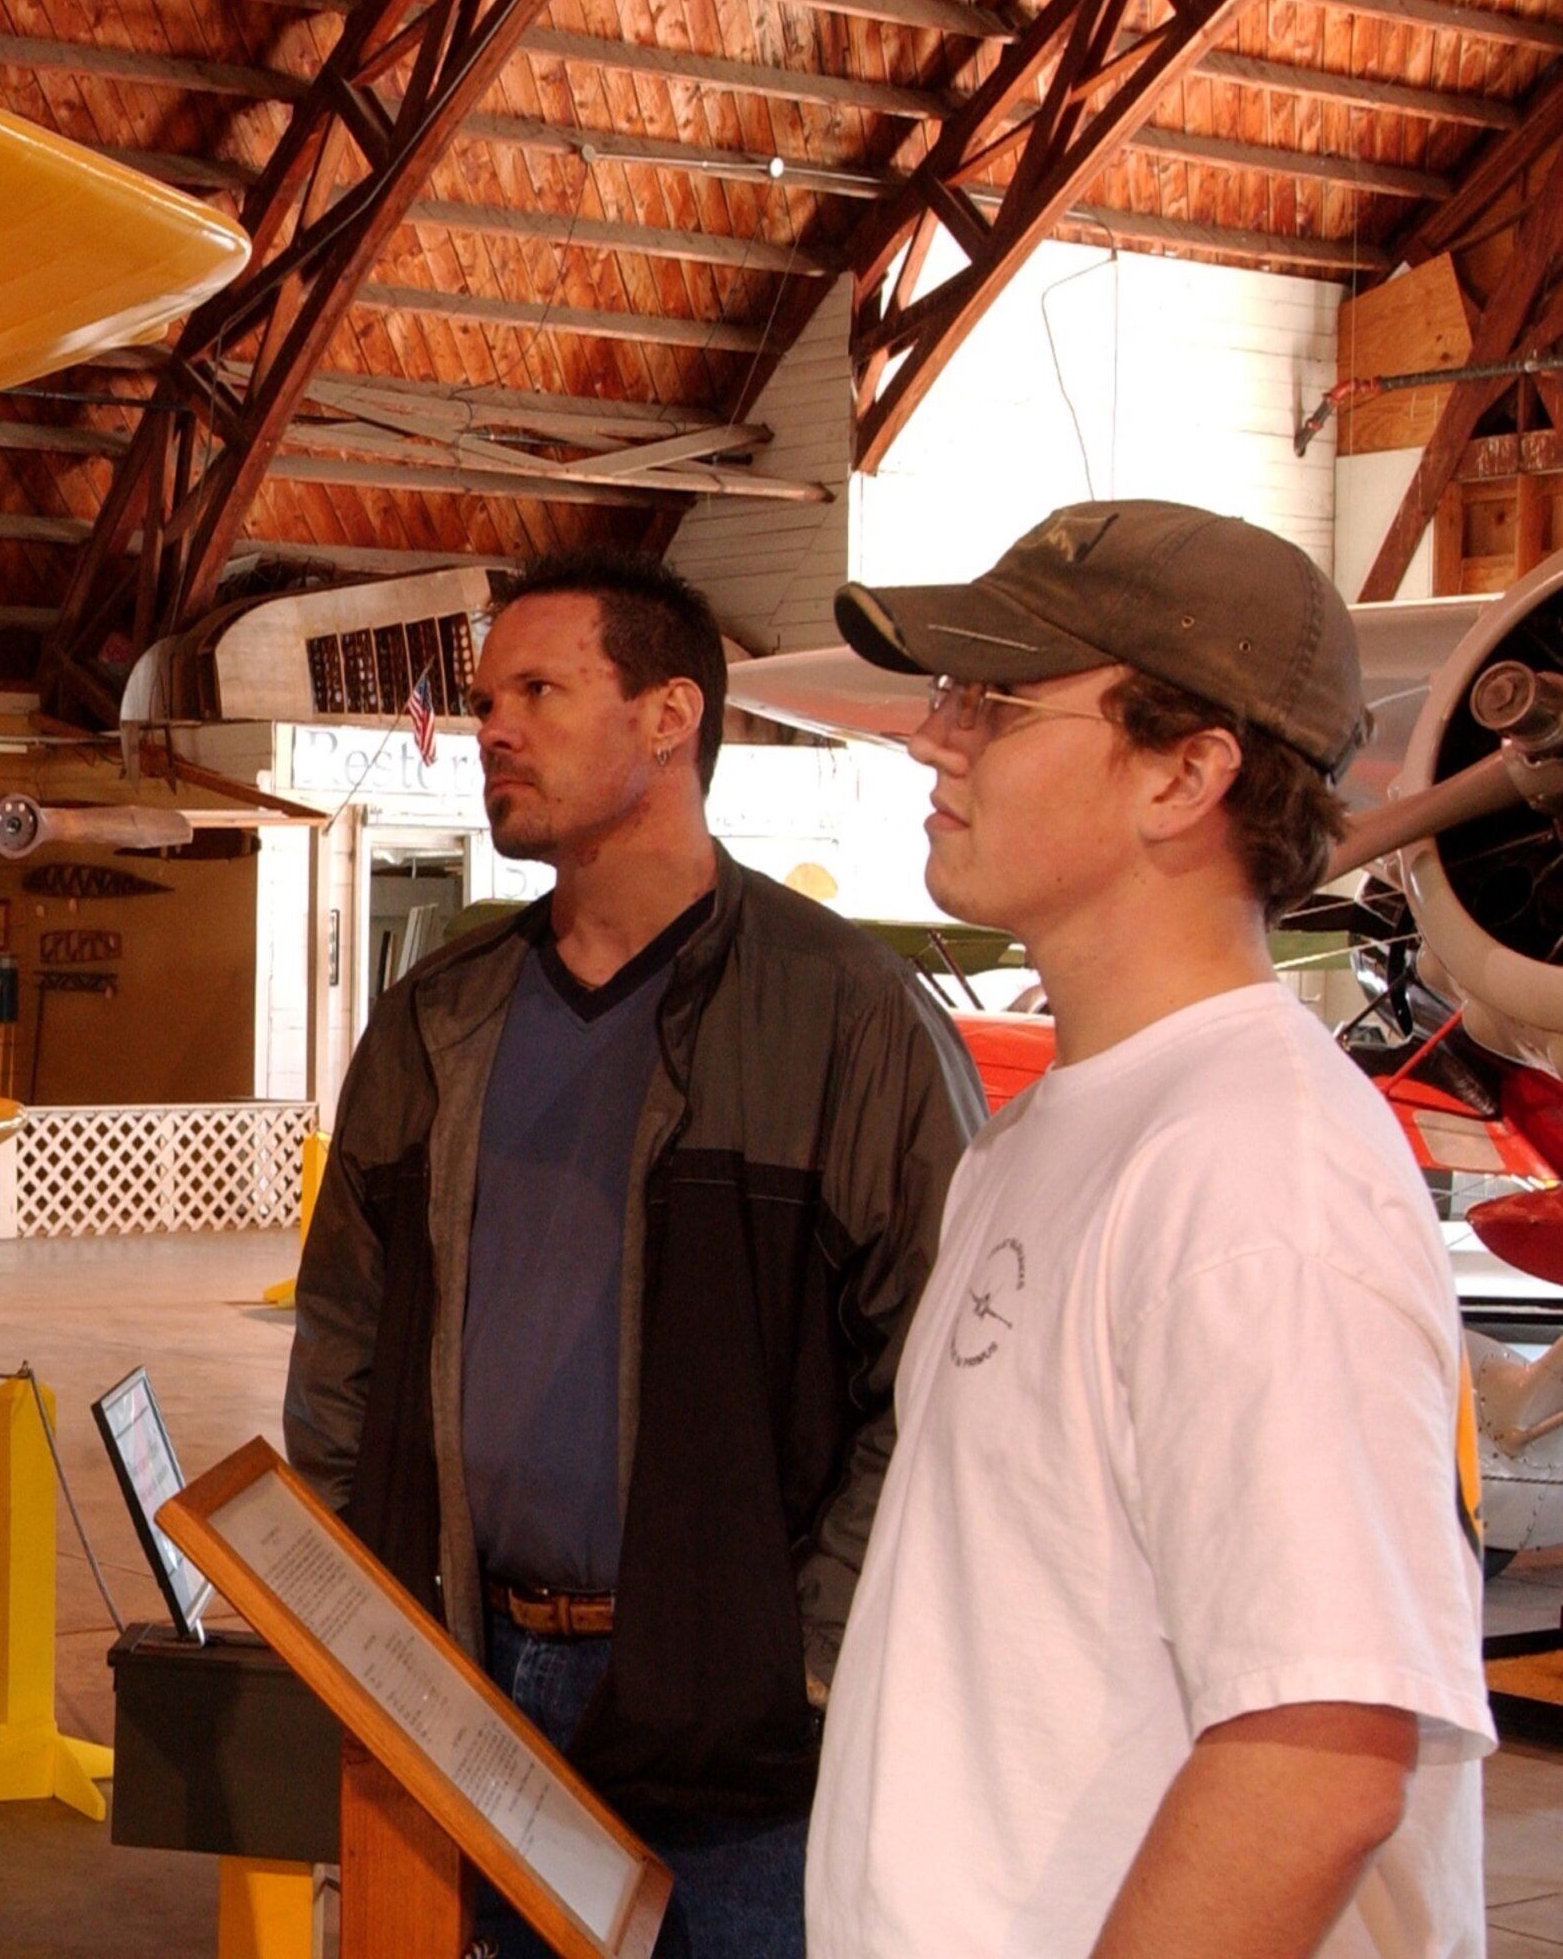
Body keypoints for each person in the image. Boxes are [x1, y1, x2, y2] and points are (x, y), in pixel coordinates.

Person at [807, 501, 1490, 1959]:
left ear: (1186, 774)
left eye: (993, 703)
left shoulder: (1257, 1174)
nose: (937, 740)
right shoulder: (1058, 1133)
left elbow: (1316, 1763)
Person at [286, 548, 978, 1959]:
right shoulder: (438, 1021)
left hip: (733, 1744)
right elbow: (343, 1347)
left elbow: (942, 1382)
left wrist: (804, 1664)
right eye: (487, 699)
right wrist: (360, 1611)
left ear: (670, 718)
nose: (494, 728)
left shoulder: (849, 1017)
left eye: (540, 689)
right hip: (466, 1695)